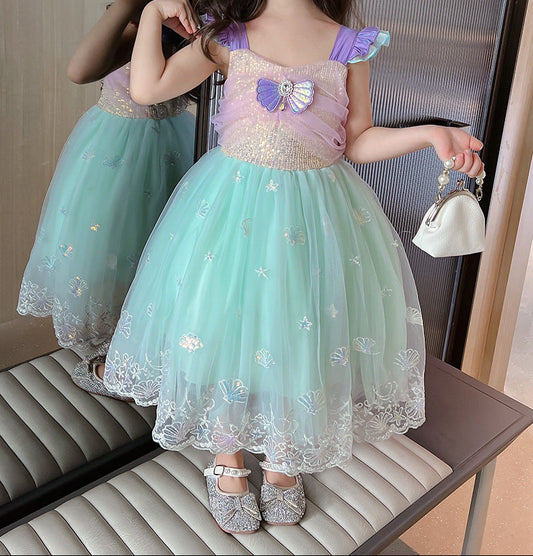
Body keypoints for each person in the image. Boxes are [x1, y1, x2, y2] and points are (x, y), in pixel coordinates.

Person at [103, 0, 485, 533]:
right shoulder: (226, 37)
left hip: (316, 216)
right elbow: (147, 88)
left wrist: (429, 134)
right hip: (232, 211)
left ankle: (284, 451)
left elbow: (356, 141)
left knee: (298, 326)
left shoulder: (350, 46)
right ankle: (227, 454)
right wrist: (150, 12)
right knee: (223, 324)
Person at [17, 0, 198, 400]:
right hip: (116, 155)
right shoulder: (141, 18)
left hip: (174, 145)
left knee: (163, 256)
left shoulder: (202, 20)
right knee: (113, 251)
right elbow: (80, 70)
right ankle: (127, 352)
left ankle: (146, 356)